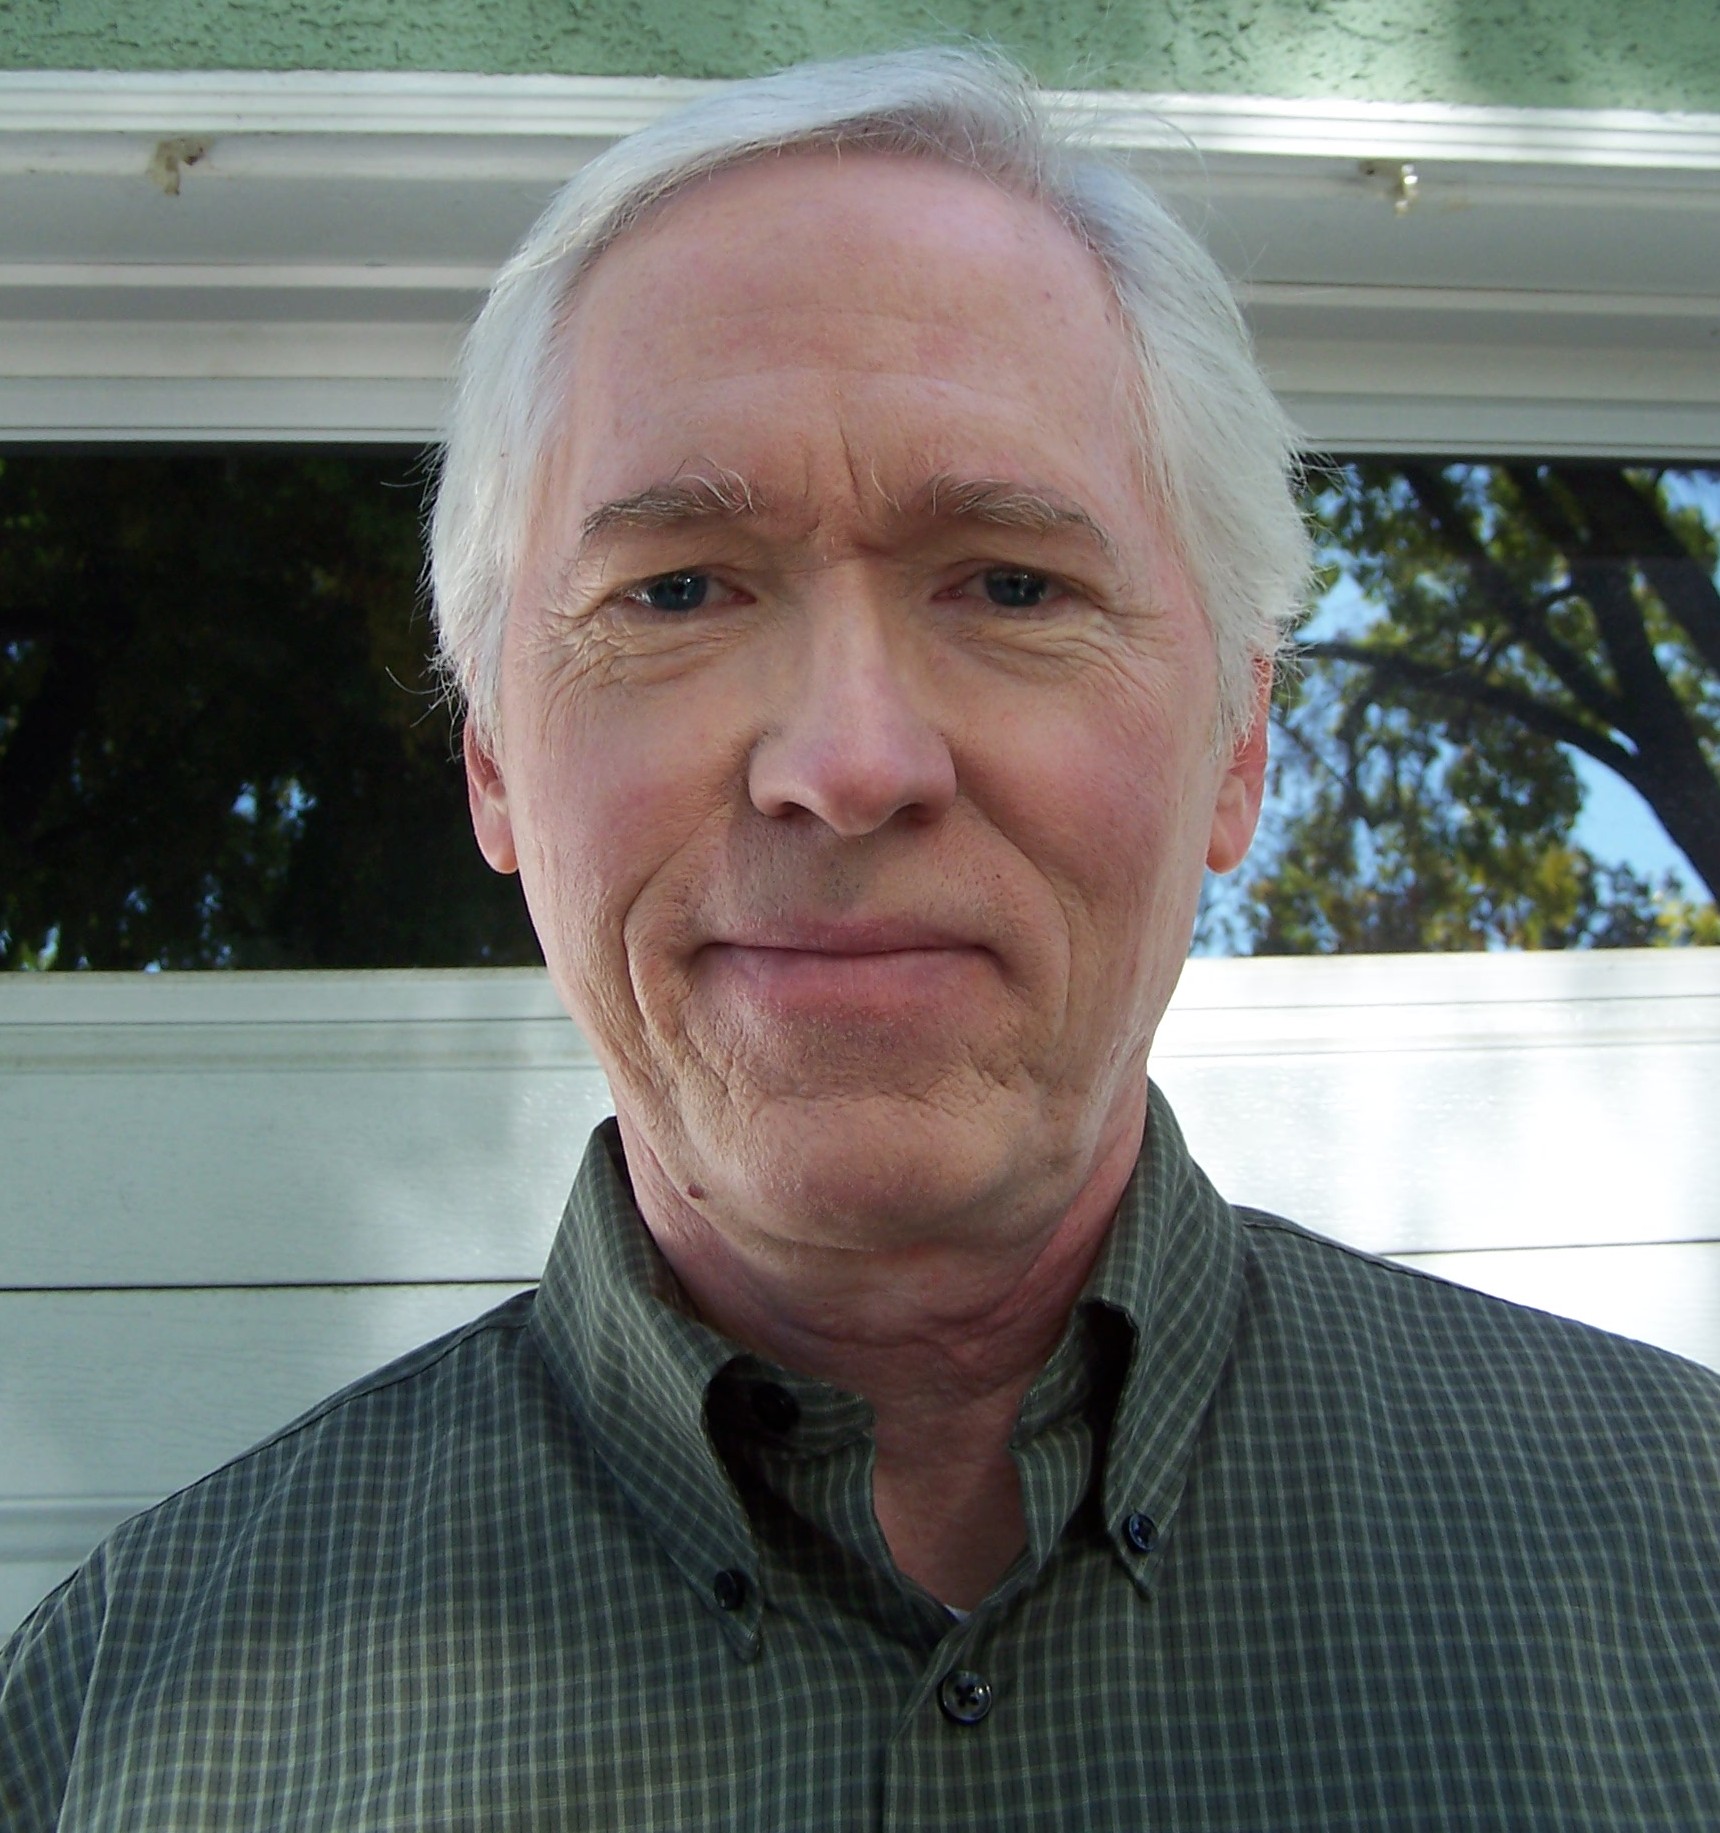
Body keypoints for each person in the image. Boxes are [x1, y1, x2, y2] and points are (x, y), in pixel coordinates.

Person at [4, 47, 1718, 1830]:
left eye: (1012, 583)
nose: (846, 763)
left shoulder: (1682, 1565)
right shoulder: (118, 1728)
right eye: (676, 589)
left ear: (1239, 746)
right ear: (494, 760)